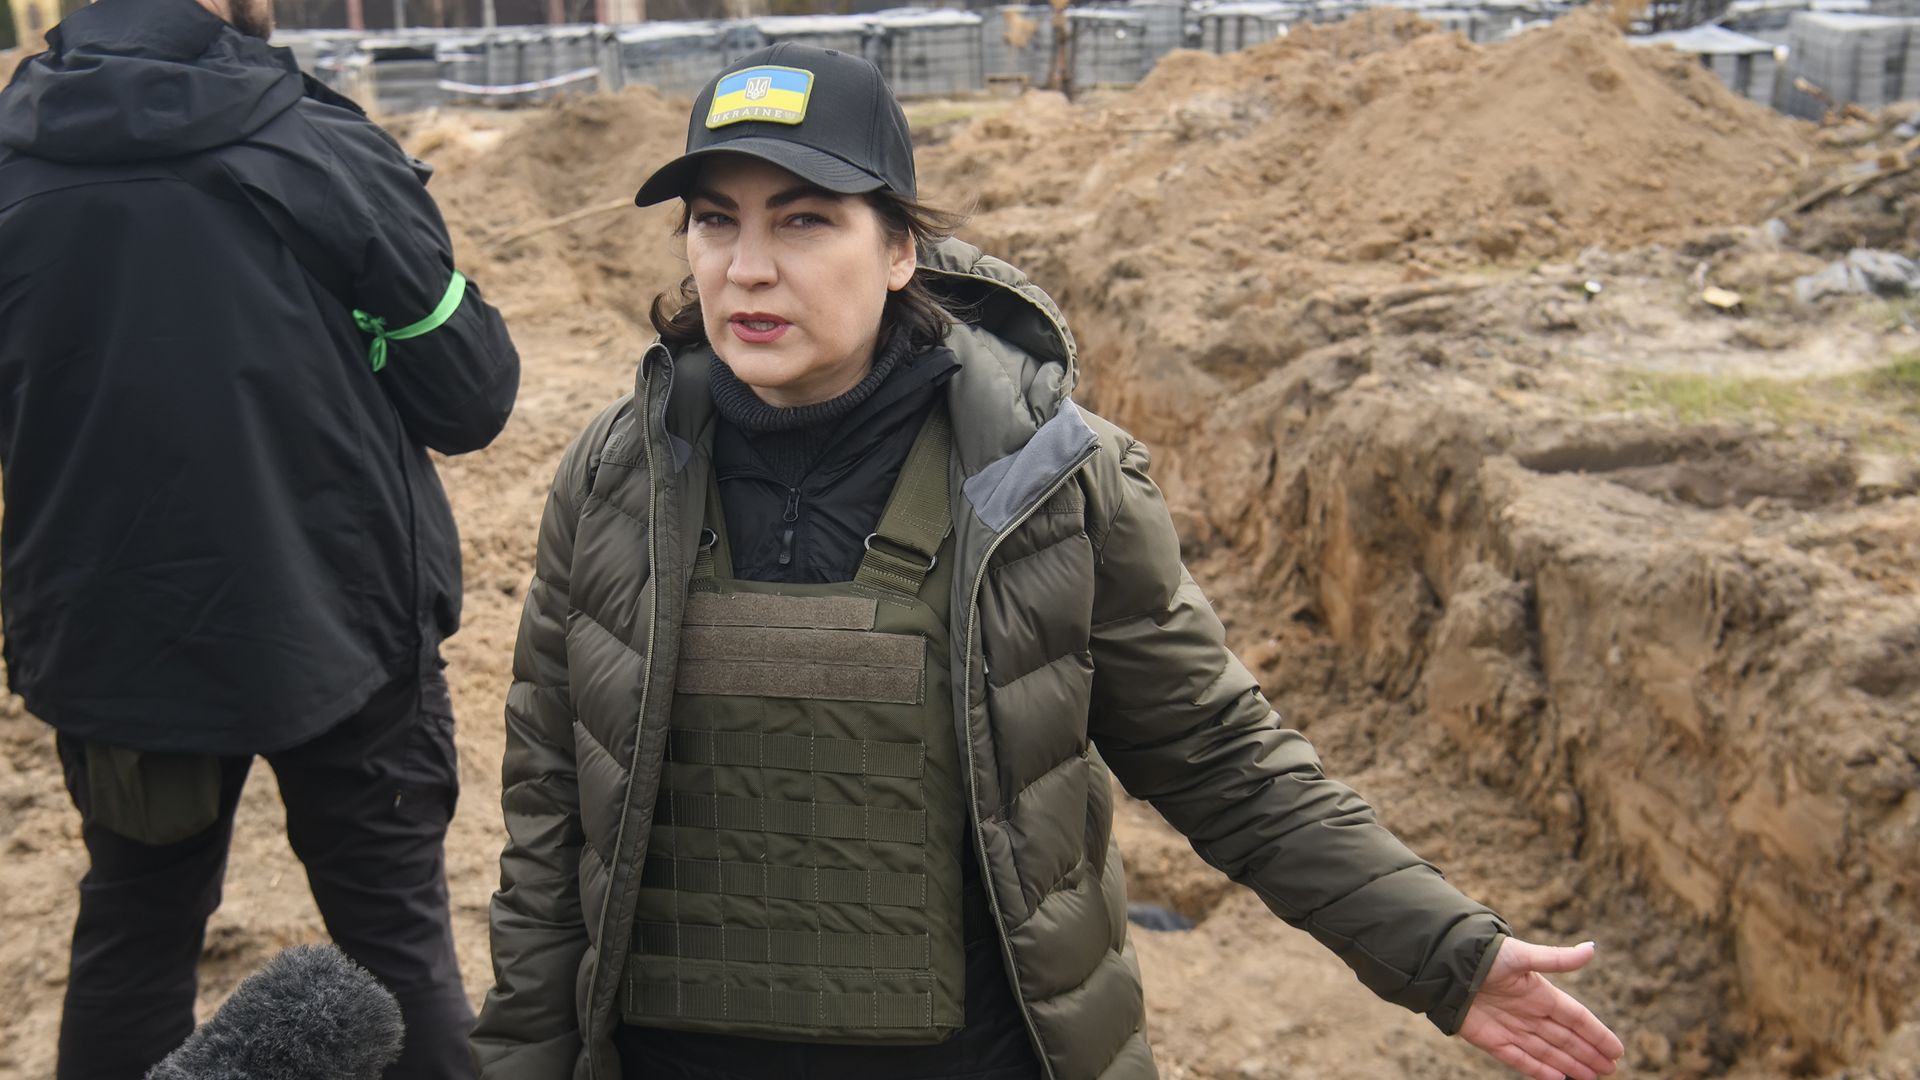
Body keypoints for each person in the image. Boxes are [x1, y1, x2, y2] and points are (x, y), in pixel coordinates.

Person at [471, 42, 1622, 1080]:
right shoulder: (618, 476)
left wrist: (1441, 951)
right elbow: (551, 822)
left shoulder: (1053, 482)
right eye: (716, 220)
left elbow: (1220, 756)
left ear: (900, 249)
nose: (748, 267)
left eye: (806, 219)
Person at [0, 0, 520, 1075]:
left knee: (134, 933)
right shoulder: (318, 147)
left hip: (115, 638)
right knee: (392, 941)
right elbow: (470, 395)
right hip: (346, 625)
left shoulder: (14, 161)